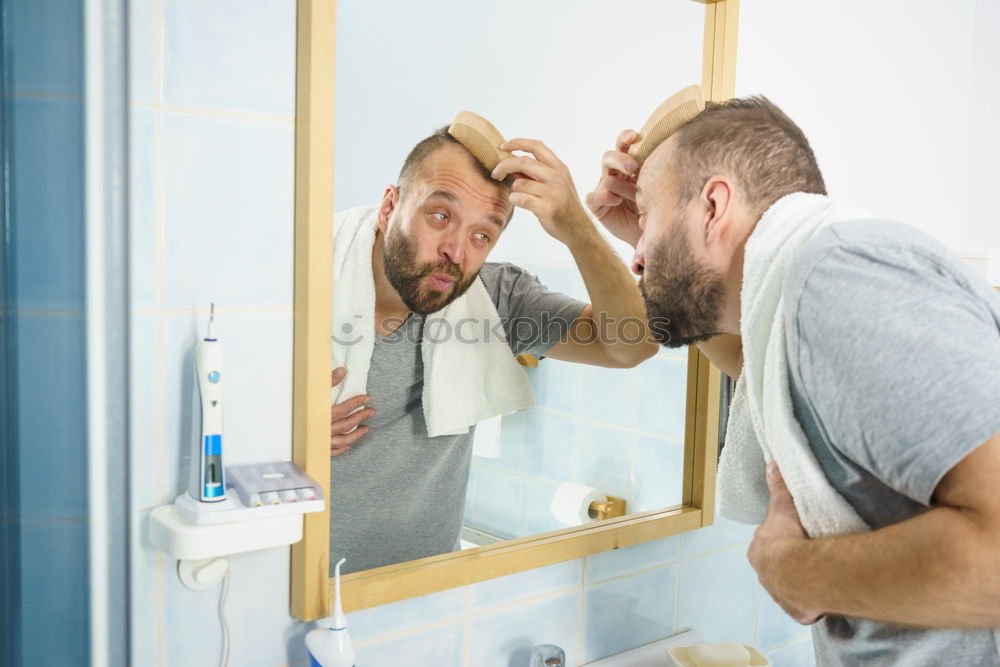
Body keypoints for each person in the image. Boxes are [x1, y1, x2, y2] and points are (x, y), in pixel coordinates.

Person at [590, 96, 1000, 665]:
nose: (637, 256)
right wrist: (654, 236)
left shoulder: (845, 277)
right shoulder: (805, 298)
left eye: (649, 215)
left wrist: (794, 573)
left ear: (713, 205)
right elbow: (765, 376)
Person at [330, 126, 657, 573]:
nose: (455, 252)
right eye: (441, 216)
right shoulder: (289, 287)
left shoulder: (493, 298)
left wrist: (577, 229)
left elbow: (631, 347)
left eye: (482, 235)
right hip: (287, 597)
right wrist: (276, 430)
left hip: (423, 598)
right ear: (390, 206)